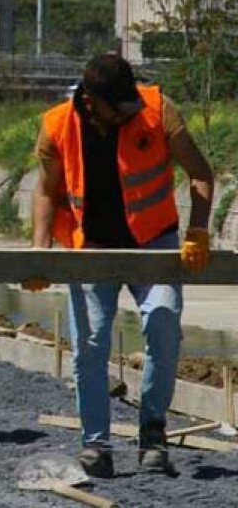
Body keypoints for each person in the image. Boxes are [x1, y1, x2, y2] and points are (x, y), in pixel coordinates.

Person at [28, 53, 213, 478]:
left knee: (163, 322)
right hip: (91, 247)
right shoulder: (58, 126)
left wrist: (198, 231)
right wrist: (38, 253)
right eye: (119, 105)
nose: (130, 110)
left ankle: (152, 433)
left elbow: (201, 173)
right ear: (92, 102)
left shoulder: (158, 111)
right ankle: (96, 445)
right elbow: (45, 191)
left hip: (154, 243)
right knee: (90, 345)